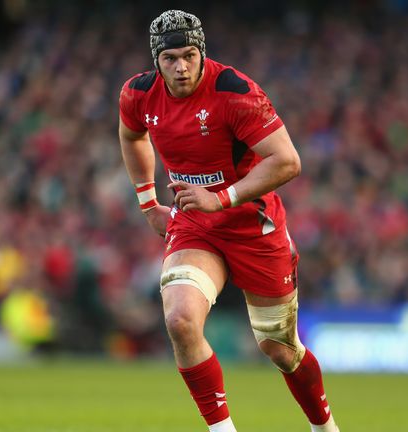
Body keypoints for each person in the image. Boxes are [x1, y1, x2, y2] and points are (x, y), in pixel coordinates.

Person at [118, 10, 341, 432]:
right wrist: (148, 204)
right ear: (156, 61)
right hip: (195, 225)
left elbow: (288, 161)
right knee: (180, 320)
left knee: (279, 348)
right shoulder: (138, 95)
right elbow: (131, 135)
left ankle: (325, 428)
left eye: (189, 55)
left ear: (202, 52)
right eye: (169, 58)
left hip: (252, 226)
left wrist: (220, 198)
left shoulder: (235, 93)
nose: (181, 67)